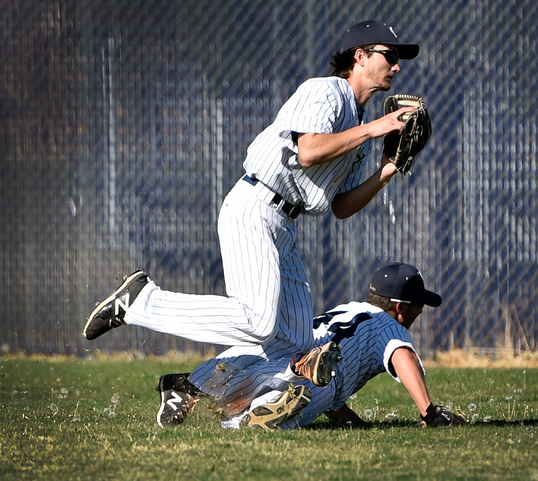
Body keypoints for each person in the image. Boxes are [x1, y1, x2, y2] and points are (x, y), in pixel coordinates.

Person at [82, 21, 421, 388]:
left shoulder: (362, 131)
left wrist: (387, 170)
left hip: (284, 223)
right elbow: (308, 151)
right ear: (360, 56)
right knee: (258, 320)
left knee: (297, 341)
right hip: (256, 204)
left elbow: (340, 206)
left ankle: (193, 389)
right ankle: (141, 301)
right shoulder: (326, 92)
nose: (397, 65)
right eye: (390, 55)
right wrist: (377, 127)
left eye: (398, 58)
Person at [154, 262, 466, 430]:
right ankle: (249, 416)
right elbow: (402, 357)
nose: (420, 311)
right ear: (399, 308)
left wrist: (354, 424)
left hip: (294, 348)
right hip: (321, 378)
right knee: (250, 420)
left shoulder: (349, 309)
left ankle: (190, 384)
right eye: (417, 305)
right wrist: (429, 412)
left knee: (243, 381)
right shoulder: (388, 325)